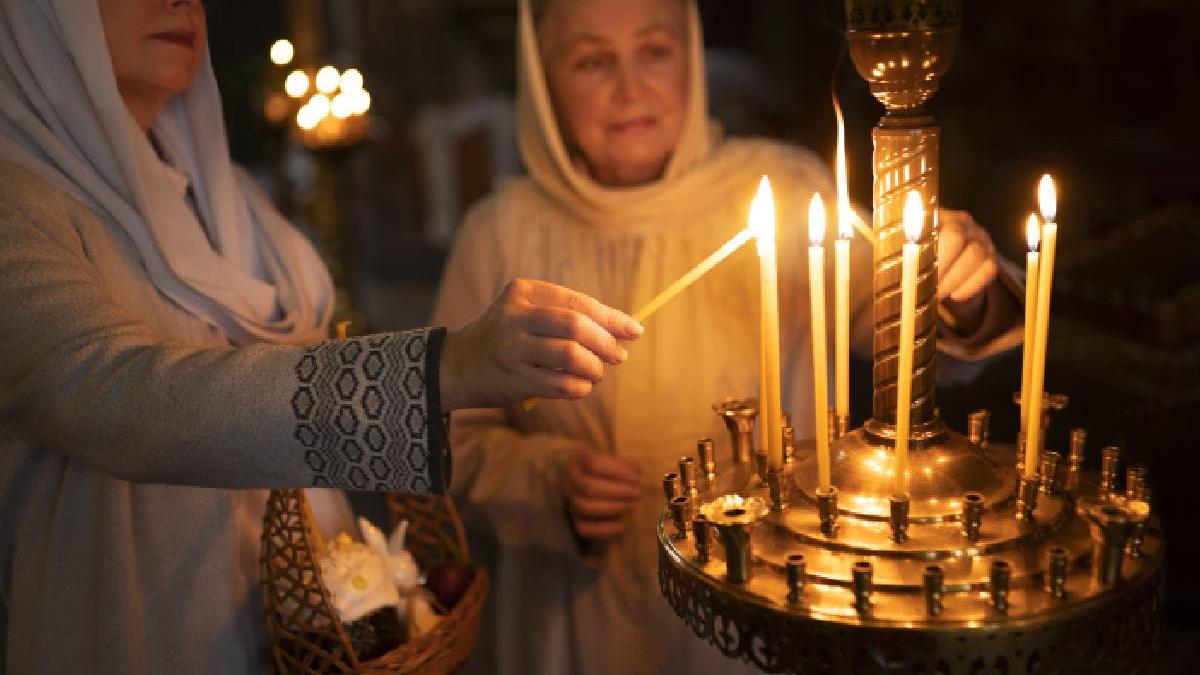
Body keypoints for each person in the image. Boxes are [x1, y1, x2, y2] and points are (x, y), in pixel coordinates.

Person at [0, 0, 644, 673]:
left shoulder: (227, 193)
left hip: (312, 619)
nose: (179, 2)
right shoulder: (19, 209)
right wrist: (442, 366)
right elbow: (118, 396)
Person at [431, 0, 1023, 673]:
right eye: (592, 60)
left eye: (655, 50)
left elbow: (906, 321)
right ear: (541, 81)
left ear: (692, 55)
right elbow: (450, 435)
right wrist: (543, 481)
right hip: (581, 616)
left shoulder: (785, 187)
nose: (631, 87)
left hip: (765, 594)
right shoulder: (499, 233)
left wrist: (957, 285)